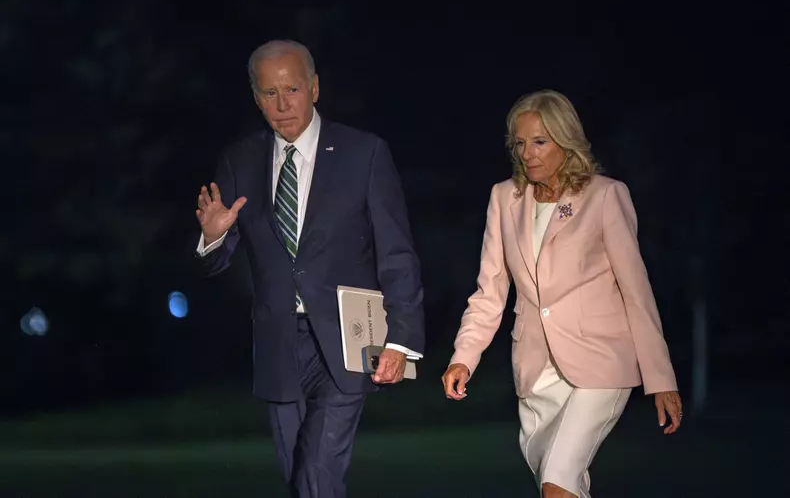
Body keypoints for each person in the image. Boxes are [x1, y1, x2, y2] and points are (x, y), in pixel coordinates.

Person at [194, 39, 425, 498]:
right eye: (269, 94)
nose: (282, 106)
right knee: (300, 479)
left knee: (317, 475)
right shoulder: (240, 161)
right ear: (255, 97)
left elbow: (396, 252)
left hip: (348, 340)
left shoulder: (365, 154)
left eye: (292, 90)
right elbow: (216, 264)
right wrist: (214, 236)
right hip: (279, 346)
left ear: (315, 88)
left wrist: (400, 339)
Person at [441, 89, 682, 498]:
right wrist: (463, 357)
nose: (527, 154)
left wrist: (661, 377)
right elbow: (491, 290)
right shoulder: (504, 199)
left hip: (601, 362)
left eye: (540, 141)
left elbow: (636, 291)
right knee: (561, 488)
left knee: (557, 484)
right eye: (519, 143)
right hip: (536, 370)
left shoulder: (605, 195)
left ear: (565, 140)